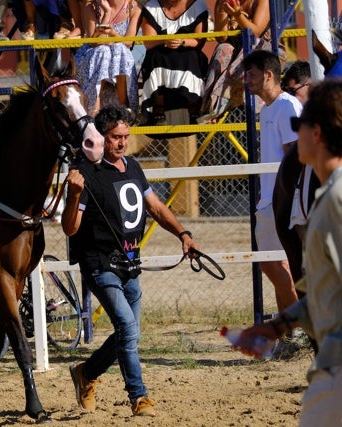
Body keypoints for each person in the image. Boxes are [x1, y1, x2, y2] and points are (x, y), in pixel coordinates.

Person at [62, 106, 199, 417]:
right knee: (127, 327)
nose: (121, 143)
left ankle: (87, 372)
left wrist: (183, 234)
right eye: (115, 138)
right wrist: (72, 196)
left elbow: (157, 208)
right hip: (100, 265)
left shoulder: (134, 168)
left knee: (129, 332)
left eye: (125, 137)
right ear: (101, 138)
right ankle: (139, 397)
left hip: (130, 264)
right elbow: (70, 228)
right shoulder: (86, 175)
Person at [233, 79, 342, 427]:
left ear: (317, 134)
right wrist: (277, 326)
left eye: (301, 127)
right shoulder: (327, 196)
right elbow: (327, 289)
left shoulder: (337, 201)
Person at [243, 50, 303, 357]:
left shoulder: (286, 105)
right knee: (273, 265)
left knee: (279, 266)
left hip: (284, 200)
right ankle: (290, 335)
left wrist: (288, 197)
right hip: (269, 200)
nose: (247, 80)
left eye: (252, 74)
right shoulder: (266, 109)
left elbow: (296, 154)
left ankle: (302, 328)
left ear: (269, 74)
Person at [198, 0, 272, 123]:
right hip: (235, 50)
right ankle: (210, 104)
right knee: (223, 49)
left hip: (261, 48)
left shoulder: (262, 1)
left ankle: (220, 102)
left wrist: (237, 15)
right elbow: (222, 38)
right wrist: (222, 9)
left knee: (247, 51)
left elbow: (255, 33)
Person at [139, 0, 209, 125]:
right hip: (161, 51)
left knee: (191, 56)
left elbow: (200, 41)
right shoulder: (152, 6)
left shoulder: (198, 5)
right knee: (155, 57)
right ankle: (158, 109)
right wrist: (164, 40)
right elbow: (148, 42)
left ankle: (194, 108)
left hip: (188, 51)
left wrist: (182, 41)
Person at [75, 0, 142, 114]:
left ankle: (123, 106)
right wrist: (107, 13)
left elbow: (129, 42)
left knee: (119, 48)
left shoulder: (134, 7)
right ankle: (94, 108)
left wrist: (113, 34)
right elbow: (94, 42)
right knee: (103, 51)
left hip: (117, 56)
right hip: (92, 56)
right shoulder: (90, 6)